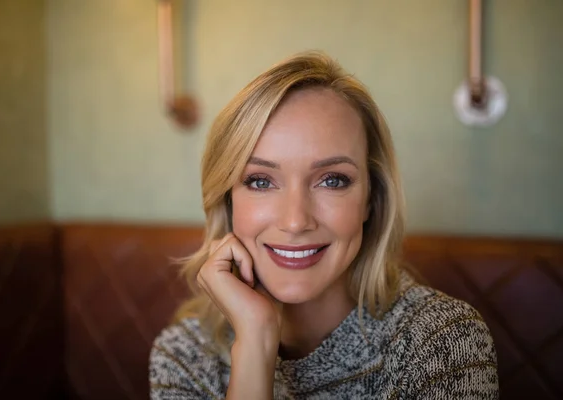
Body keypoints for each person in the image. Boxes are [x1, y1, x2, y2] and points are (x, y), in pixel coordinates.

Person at [149, 52, 499, 399]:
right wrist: (255, 344)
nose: (296, 221)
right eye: (260, 181)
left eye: (332, 180)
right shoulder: (185, 356)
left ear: (371, 199)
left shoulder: (441, 339)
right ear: (228, 199)